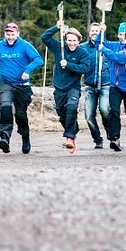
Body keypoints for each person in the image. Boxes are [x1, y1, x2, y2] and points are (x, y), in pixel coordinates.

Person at [0, 22, 43, 154]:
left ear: (17, 34)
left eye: (13, 34)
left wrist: (27, 71)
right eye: (8, 34)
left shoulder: (24, 46)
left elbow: (38, 60)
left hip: (22, 85)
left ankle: (25, 137)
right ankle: (5, 137)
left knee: (20, 114)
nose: (10, 37)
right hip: (5, 83)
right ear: (5, 34)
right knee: (5, 106)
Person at [41, 21, 90, 153]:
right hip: (59, 87)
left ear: (79, 41)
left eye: (74, 40)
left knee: (71, 107)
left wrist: (68, 64)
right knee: (62, 114)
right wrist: (56, 27)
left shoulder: (83, 53)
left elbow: (85, 68)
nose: (71, 43)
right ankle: (73, 130)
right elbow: (44, 38)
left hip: (73, 87)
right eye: (69, 40)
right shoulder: (59, 47)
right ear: (65, 40)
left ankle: (69, 137)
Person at [99, 22, 126, 151]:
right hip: (115, 85)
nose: (122, 36)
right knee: (114, 110)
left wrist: (104, 50)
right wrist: (102, 32)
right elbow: (98, 43)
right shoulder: (115, 45)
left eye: (125, 34)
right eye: (120, 34)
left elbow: (119, 58)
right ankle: (115, 138)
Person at [80, 22, 111, 149]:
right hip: (89, 85)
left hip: (105, 84)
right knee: (88, 116)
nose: (94, 32)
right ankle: (98, 139)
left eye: (97, 31)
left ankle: (112, 134)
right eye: (92, 30)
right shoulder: (82, 48)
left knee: (105, 110)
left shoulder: (106, 46)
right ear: (89, 32)